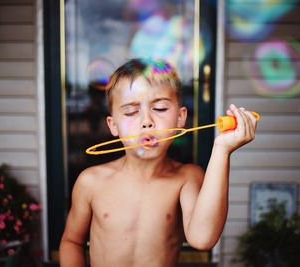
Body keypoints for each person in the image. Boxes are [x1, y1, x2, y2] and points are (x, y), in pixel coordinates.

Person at [59, 58, 257, 267]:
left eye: (160, 108)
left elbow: (203, 239)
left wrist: (222, 150)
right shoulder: (91, 182)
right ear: (113, 125)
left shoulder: (187, 178)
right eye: (131, 112)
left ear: (180, 119)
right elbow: (72, 241)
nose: (147, 121)